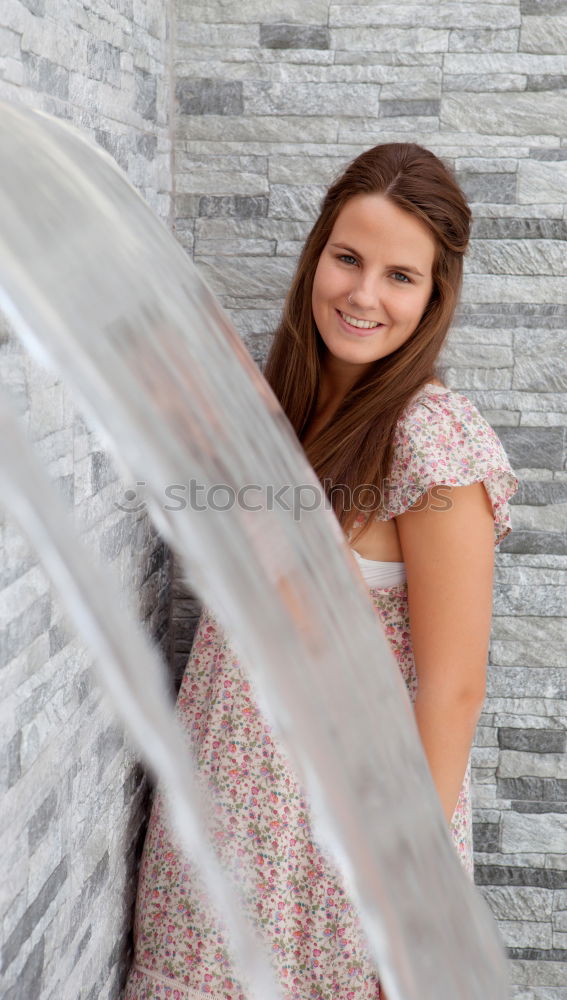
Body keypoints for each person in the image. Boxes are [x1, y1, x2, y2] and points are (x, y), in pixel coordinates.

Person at [123, 142, 519, 1000]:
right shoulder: (296, 411)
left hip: (329, 859)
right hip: (223, 829)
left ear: (434, 295)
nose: (363, 294)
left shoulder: (432, 438)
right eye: (347, 258)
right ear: (316, 255)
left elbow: (451, 690)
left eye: (399, 275)